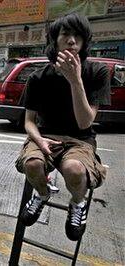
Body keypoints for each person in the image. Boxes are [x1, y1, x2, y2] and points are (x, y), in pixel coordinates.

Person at [15, 13, 110, 241]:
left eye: (78, 36)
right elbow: (29, 121)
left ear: (85, 41)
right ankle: (43, 193)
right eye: (65, 34)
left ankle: (77, 204)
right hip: (45, 135)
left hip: (80, 140)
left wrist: (75, 80)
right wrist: (39, 140)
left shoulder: (97, 72)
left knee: (75, 170)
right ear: (54, 40)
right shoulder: (38, 77)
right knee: (33, 163)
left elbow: (85, 122)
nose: (71, 41)